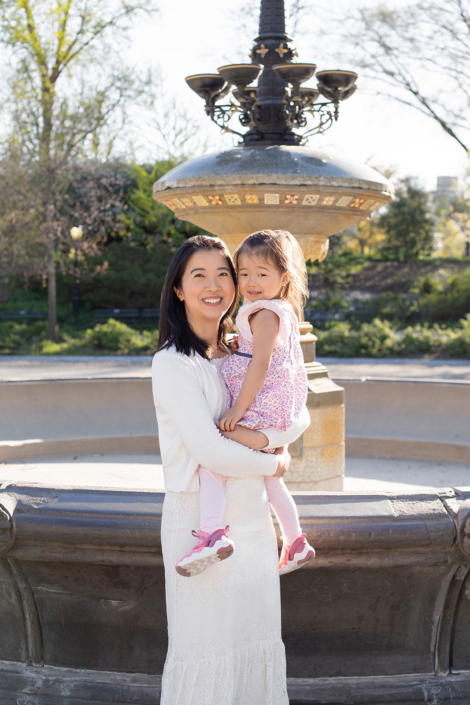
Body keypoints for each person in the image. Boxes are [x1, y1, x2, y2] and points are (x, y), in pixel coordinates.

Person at [152, 235, 310, 705]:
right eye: (198, 275)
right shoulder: (172, 363)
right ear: (178, 289)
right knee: (206, 650)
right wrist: (275, 459)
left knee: (250, 646)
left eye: (224, 273)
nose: (216, 285)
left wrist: (271, 443)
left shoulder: (238, 350)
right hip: (200, 526)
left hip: (253, 525)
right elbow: (210, 451)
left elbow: (298, 412)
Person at [176, 230, 315, 580]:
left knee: (211, 463)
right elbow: (262, 353)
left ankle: (212, 533)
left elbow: (262, 364)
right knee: (272, 482)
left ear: (284, 278)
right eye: (244, 273)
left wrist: (238, 410)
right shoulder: (270, 312)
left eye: (262, 274)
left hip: (260, 415)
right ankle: (296, 541)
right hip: (273, 415)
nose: (251, 282)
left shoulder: (265, 314)